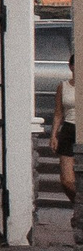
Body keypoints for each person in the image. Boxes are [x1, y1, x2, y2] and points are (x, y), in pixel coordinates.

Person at [51, 52, 76, 203]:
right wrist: (53, 135)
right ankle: (78, 204)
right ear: (71, 67)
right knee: (66, 180)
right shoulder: (63, 86)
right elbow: (58, 113)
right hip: (68, 129)